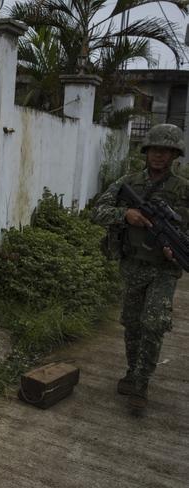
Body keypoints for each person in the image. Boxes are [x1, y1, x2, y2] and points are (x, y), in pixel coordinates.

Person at [93, 123, 189, 414]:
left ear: (175, 155)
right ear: (147, 152)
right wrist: (126, 214)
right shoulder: (127, 182)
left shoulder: (184, 190)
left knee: (154, 322)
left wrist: (177, 248)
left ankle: (141, 384)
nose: (160, 156)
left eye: (167, 151)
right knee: (132, 323)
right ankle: (133, 371)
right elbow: (98, 211)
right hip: (133, 265)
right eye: (155, 150)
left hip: (164, 270)